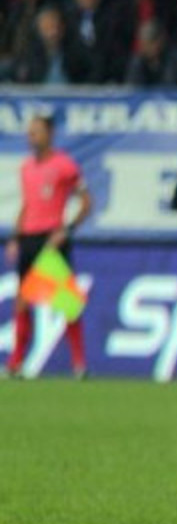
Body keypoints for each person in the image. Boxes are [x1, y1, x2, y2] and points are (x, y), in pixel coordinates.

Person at [4, 116, 93, 380]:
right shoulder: (26, 167)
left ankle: (79, 364)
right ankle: (16, 363)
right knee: (22, 302)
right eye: (29, 133)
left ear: (49, 134)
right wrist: (15, 237)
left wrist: (67, 230)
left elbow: (86, 202)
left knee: (66, 302)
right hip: (28, 239)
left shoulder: (65, 165)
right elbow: (27, 204)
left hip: (51, 240)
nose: (31, 137)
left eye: (36, 132)